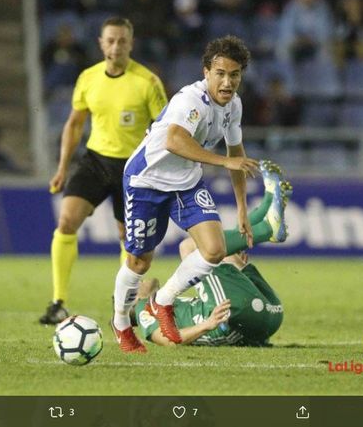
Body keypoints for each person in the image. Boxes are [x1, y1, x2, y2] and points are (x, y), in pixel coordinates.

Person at [111, 36, 284, 353]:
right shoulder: (190, 100)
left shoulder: (234, 106)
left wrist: (242, 207)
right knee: (139, 262)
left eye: (234, 75)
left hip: (186, 182)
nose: (227, 81)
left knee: (214, 250)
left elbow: (237, 154)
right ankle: (121, 322)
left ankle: (163, 302)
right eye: (220, 73)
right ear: (206, 72)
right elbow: (174, 141)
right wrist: (224, 161)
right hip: (146, 181)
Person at [40, 17, 168, 324]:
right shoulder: (88, 78)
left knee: (129, 240)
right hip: (96, 160)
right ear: (101, 43)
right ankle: (58, 301)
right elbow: (74, 124)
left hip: (134, 169)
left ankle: (124, 301)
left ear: (131, 44)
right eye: (110, 40)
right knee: (67, 220)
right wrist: (61, 169)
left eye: (122, 41)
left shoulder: (147, 82)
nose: (116, 46)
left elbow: (165, 129)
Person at [132, 176, 291, 347]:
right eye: (134, 286)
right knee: (190, 248)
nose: (139, 280)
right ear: (131, 301)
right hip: (236, 316)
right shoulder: (143, 309)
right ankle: (267, 228)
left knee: (222, 253)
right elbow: (166, 340)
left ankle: (268, 206)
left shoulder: (163, 303)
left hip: (265, 319)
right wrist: (206, 325)